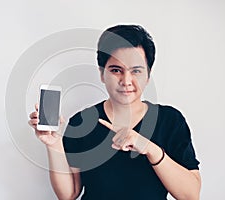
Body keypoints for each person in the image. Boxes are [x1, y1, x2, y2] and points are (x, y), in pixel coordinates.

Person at [28, 24, 201, 199]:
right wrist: (53, 145)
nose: (126, 81)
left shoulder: (170, 121)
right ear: (102, 74)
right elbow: (69, 194)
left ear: (148, 76)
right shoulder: (81, 121)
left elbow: (190, 195)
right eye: (116, 70)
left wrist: (149, 148)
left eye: (136, 71)